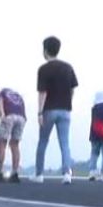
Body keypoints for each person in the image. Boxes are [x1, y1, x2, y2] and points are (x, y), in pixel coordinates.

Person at [34, 36, 78, 184]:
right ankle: (67, 173)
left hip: (49, 110)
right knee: (65, 143)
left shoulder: (44, 69)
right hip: (65, 110)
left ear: (45, 51)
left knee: (43, 141)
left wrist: (40, 112)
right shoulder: (68, 67)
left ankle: (39, 174)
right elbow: (73, 89)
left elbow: (42, 92)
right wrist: (68, 102)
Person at [0, 86, 27, 183]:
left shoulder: (2, 92)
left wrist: (2, 112)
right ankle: (15, 173)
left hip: (9, 116)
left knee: (2, 143)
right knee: (15, 145)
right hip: (21, 118)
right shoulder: (18, 96)